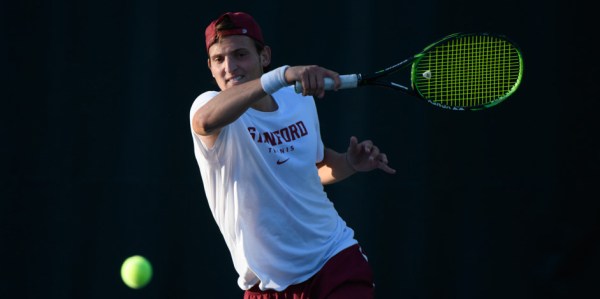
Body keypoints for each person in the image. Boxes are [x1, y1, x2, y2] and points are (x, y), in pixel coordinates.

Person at [189, 11, 396, 299]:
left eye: (240, 54)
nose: (230, 67)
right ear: (210, 67)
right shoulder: (208, 106)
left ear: (264, 56)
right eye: (219, 59)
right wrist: (282, 75)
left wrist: (349, 163)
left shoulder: (297, 98)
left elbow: (317, 167)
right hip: (266, 286)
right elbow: (204, 122)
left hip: (333, 259)